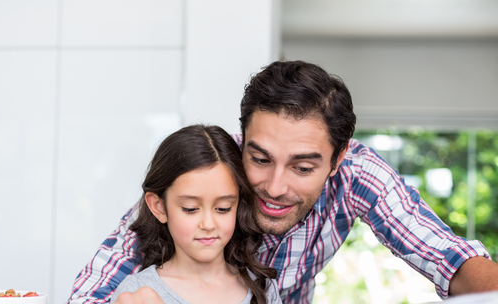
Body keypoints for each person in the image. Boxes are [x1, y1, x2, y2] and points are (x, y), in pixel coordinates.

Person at [68, 60, 498, 304]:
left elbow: (448, 256)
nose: (274, 187)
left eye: (303, 167)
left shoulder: (358, 174)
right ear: (242, 139)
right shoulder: (207, 170)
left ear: (337, 159)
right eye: (259, 159)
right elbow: (95, 290)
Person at [109, 124, 281, 304]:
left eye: (223, 208)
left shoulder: (263, 289)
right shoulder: (135, 294)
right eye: (190, 209)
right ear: (159, 207)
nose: (208, 224)